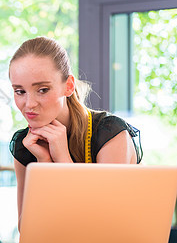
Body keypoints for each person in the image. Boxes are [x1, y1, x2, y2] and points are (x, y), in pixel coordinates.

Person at [8, 36, 142, 219]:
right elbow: (28, 228)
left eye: (42, 90)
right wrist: (45, 162)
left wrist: (63, 159)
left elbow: (104, 220)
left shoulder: (109, 132)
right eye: (20, 91)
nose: (29, 104)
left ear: (68, 86)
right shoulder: (26, 144)